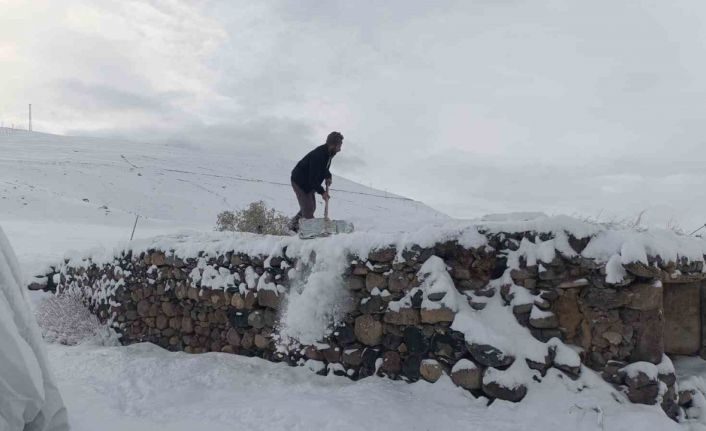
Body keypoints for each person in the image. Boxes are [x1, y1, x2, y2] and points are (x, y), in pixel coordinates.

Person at [289, 131, 343, 232]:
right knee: (308, 210)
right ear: (332, 145)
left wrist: (328, 176)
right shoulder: (318, 155)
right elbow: (312, 179)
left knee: (311, 207)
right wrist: (323, 192)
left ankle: (292, 227)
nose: (340, 149)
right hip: (300, 182)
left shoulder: (328, 153)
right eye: (339, 146)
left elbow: (323, 168)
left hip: (309, 182)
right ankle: (311, 236)